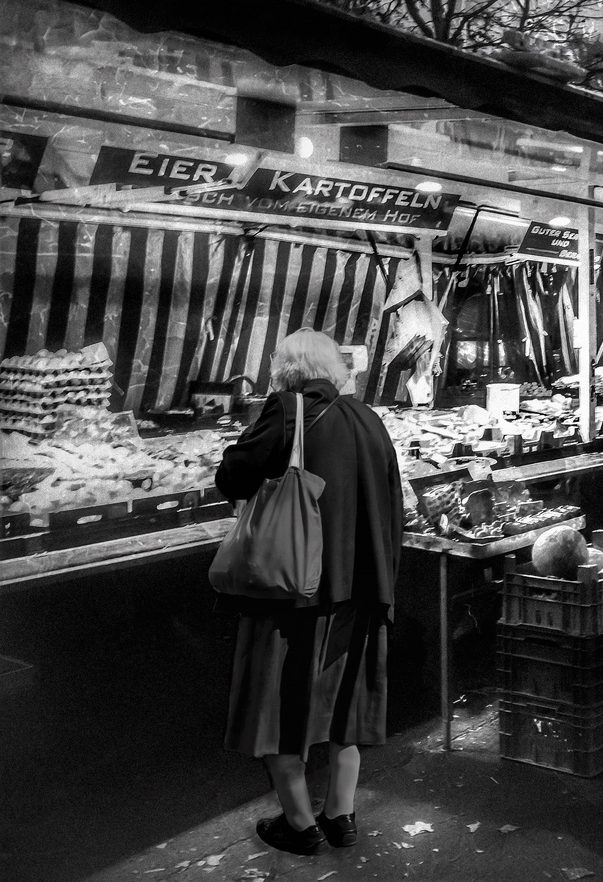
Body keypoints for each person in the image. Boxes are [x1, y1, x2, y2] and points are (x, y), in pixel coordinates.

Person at [215, 329, 405, 856]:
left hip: (295, 594)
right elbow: (394, 503)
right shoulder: (369, 418)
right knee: (346, 709)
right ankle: (341, 816)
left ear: (286, 369)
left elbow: (231, 477)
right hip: (363, 593)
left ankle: (300, 826)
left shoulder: (287, 410)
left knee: (277, 710)